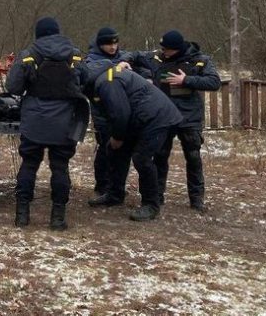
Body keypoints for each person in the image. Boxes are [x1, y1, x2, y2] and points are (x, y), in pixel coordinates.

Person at [6, 17, 89, 231]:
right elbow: (86, 80)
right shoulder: (75, 54)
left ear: (38, 34)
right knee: (60, 167)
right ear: (57, 32)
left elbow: (13, 87)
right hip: (64, 121)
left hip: (34, 120)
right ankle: (57, 218)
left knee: (29, 165)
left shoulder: (28, 54)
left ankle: (22, 216)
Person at [130, 30, 221, 211]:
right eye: (163, 48)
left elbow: (214, 82)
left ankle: (196, 199)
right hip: (163, 116)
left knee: (193, 157)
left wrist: (186, 79)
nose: (165, 52)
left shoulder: (199, 60)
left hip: (189, 117)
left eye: (169, 50)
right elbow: (134, 55)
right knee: (160, 156)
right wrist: (129, 64)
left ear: (179, 48)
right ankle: (157, 195)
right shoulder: (156, 57)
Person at [85, 63, 182, 221]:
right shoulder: (103, 78)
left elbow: (120, 113)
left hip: (157, 118)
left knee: (141, 158)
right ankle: (115, 194)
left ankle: (151, 204)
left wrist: (118, 137)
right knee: (116, 151)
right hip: (139, 118)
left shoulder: (107, 82)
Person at [84, 26, 129, 197]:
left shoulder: (122, 56)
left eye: (115, 43)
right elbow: (89, 75)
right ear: (100, 44)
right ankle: (102, 184)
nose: (113, 47)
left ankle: (116, 185)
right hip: (101, 110)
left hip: (121, 107)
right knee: (105, 147)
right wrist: (116, 66)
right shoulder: (91, 59)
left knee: (120, 150)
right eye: (108, 44)